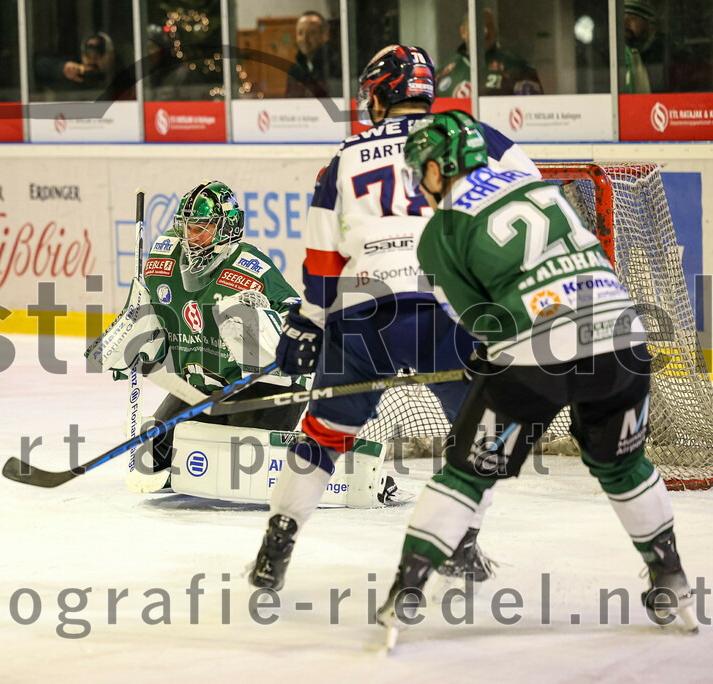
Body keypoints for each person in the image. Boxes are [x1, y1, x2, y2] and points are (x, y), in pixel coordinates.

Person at [375, 110, 696, 642]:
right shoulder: (540, 189)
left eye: (422, 169)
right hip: (622, 338)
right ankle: (672, 577)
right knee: (622, 465)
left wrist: (490, 353)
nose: (419, 181)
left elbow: (480, 321)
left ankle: (405, 593)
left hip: (536, 351)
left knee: (466, 472)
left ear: (439, 170)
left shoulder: (440, 231)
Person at [249, 45, 542, 592]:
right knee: (481, 435)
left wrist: (306, 325)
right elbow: (532, 199)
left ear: (380, 94)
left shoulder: (344, 157)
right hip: (448, 307)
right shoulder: (473, 137)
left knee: (323, 434)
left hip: (363, 311)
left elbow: (322, 262)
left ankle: (277, 543)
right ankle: (461, 541)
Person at [87, 180, 309, 500]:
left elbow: (297, 321)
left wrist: (263, 322)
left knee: (239, 467)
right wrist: (128, 338)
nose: (191, 238)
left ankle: (309, 454)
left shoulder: (250, 267)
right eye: (187, 227)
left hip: (260, 390)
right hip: (199, 389)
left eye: (202, 229)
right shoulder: (163, 260)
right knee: (149, 457)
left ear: (227, 229)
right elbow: (147, 324)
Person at [435, 9, 542, 97]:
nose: (485, 31)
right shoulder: (442, 73)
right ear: (463, 32)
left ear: (495, 31)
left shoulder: (517, 67)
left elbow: (532, 112)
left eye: (489, 26)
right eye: (478, 25)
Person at [33, 31, 134, 101]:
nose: (92, 60)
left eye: (99, 55)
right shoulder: (75, 76)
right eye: (87, 55)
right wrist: (62, 68)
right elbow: (37, 65)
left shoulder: (124, 77)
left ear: (111, 55)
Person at [284, 11, 340, 98]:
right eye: (300, 33)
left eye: (311, 32)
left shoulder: (337, 65)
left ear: (324, 35)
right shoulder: (294, 70)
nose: (304, 39)